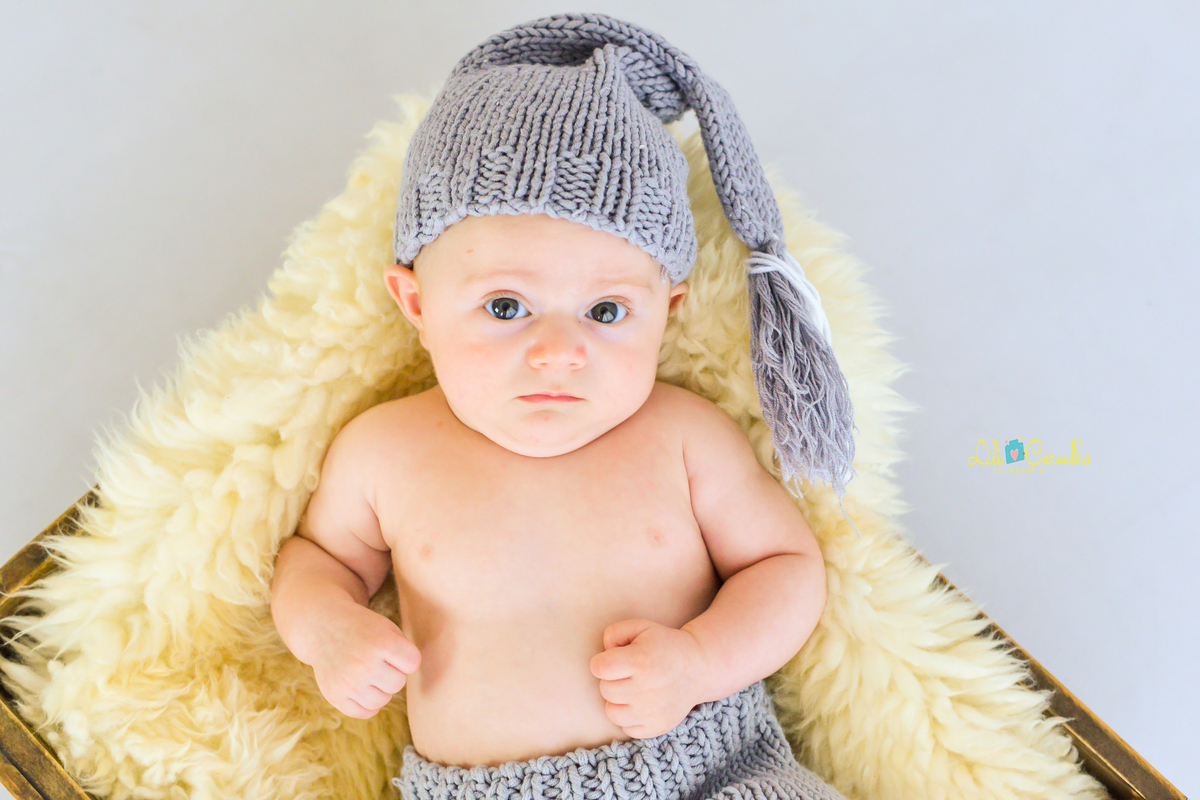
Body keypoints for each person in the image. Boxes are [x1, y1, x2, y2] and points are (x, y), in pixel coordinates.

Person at [270, 12, 854, 800]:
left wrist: (699, 662)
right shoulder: (385, 452)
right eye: (506, 307)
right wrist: (329, 630)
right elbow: (318, 561)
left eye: (606, 313)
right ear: (415, 304)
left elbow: (785, 568)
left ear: (669, 309)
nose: (558, 352)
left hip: (710, 770)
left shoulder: (683, 437)